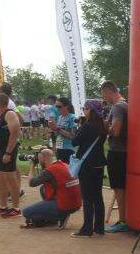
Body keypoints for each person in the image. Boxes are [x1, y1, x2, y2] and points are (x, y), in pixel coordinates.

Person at [70, 99, 107, 238]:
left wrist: (80, 127)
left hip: (87, 164)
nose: (83, 111)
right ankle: (99, 227)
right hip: (99, 163)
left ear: (90, 110)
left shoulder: (87, 125)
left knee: (87, 197)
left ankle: (87, 229)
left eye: (85, 108)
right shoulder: (102, 125)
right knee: (97, 196)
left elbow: (75, 142)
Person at [21, 148, 81, 228]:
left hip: (64, 206)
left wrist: (32, 165)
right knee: (43, 188)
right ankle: (57, 217)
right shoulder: (64, 164)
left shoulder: (49, 170)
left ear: (43, 158)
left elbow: (31, 183)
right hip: (75, 204)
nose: (38, 161)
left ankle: (59, 216)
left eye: (39, 159)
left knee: (26, 212)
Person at [0, 93, 21, 218]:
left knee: (10, 178)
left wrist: (8, 152)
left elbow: (15, 133)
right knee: (0, 179)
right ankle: (3, 206)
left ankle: (16, 208)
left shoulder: (10, 114)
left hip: (6, 150)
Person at [102, 80, 130, 233]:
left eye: (103, 94)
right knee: (122, 187)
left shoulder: (118, 106)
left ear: (108, 92)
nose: (104, 98)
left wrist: (103, 127)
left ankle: (123, 221)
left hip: (118, 151)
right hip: (123, 151)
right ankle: (125, 219)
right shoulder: (125, 104)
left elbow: (116, 131)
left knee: (119, 188)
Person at [49, 97, 77, 164]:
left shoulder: (72, 118)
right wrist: (53, 129)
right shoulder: (60, 117)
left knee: (67, 169)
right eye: (56, 106)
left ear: (66, 106)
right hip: (59, 147)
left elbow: (72, 136)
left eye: (59, 106)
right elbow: (58, 133)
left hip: (68, 148)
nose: (57, 108)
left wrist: (58, 129)